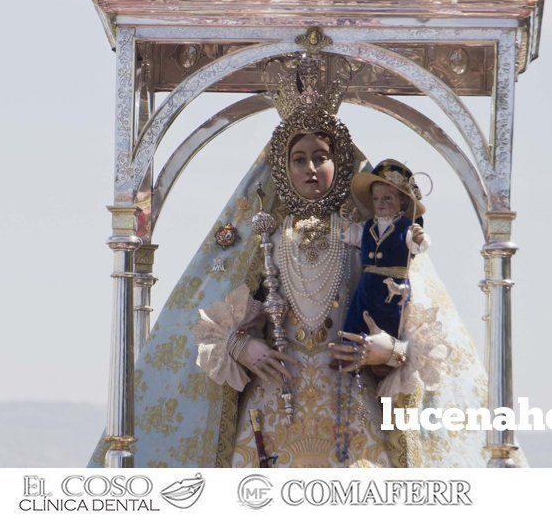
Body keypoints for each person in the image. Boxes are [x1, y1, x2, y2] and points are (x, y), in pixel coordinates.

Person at [87, 57, 506, 468]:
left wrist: (390, 352)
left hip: (351, 414)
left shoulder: (372, 238)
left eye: (321, 156)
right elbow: (209, 323)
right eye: (299, 158)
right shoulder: (261, 235)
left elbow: (416, 328)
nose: (310, 168)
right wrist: (242, 346)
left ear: (338, 164)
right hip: (271, 417)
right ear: (282, 168)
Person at [341, 160, 429, 343]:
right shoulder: (368, 226)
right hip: (367, 284)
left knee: (388, 322)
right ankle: (350, 348)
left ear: (403, 201)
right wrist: (346, 222)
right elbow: (351, 236)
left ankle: (385, 357)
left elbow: (418, 245)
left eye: (387, 198)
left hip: (393, 284)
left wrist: (420, 239)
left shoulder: (406, 227)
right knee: (358, 316)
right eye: (376, 199)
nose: (380, 203)